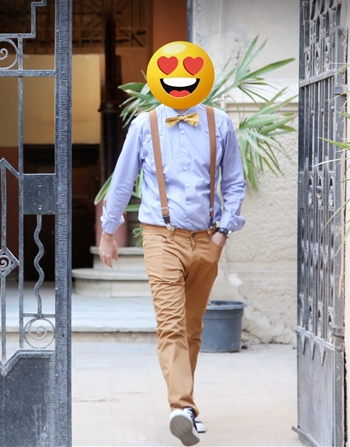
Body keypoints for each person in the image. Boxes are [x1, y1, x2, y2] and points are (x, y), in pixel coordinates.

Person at [98, 41, 246, 446]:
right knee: (171, 324)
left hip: (208, 239)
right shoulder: (144, 125)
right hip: (161, 237)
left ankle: (187, 408)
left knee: (192, 327)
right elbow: (122, 180)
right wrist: (109, 232)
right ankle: (181, 407)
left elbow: (235, 183)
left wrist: (222, 233)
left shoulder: (220, 124)